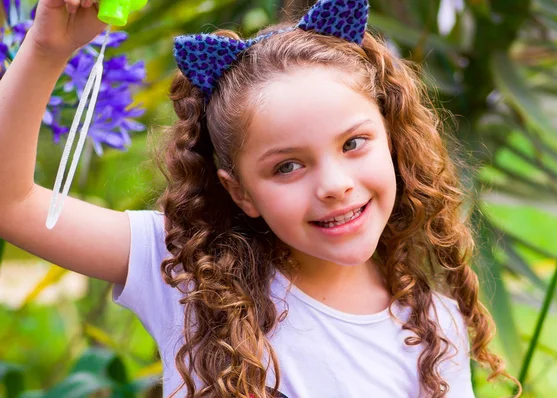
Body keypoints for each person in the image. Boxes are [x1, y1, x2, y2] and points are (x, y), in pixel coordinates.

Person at [0, 0, 521, 397]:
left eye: (354, 143)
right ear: (240, 191)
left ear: (393, 143)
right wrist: (47, 50)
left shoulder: (433, 329)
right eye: (287, 166)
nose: (335, 183)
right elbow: (11, 204)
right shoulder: (185, 269)